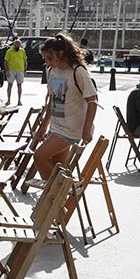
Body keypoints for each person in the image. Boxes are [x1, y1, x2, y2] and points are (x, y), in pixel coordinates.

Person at [33, 33, 99, 179]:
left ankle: (52, 195)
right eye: (44, 59)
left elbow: (92, 101)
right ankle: (61, 197)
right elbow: (52, 100)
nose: (47, 62)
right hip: (57, 125)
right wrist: (44, 126)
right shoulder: (51, 70)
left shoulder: (77, 71)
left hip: (72, 128)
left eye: (49, 58)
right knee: (58, 168)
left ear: (60, 54)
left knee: (39, 156)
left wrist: (87, 130)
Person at [3, 38, 27, 105]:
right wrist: (7, 71)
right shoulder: (9, 51)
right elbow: (6, 62)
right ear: (14, 44)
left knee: (19, 85)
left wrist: (25, 69)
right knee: (10, 85)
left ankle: (19, 100)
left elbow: (25, 60)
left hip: (20, 70)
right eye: (17, 44)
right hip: (11, 70)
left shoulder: (22, 51)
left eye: (19, 44)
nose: (18, 45)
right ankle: (8, 100)